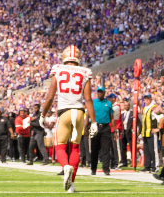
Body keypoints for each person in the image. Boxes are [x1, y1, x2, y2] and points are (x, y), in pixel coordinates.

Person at [39, 46, 96, 193]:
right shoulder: (85, 71)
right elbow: (88, 99)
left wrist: (43, 114)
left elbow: (50, 97)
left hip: (64, 112)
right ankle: (71, 186)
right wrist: (94, 121)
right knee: (75, 147)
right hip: (79, 112)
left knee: (60, 147)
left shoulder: (58, 69)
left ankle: (65, 167)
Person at [91, 87, 113, 176]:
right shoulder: (93, 102)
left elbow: (111, 118)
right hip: (95, 126)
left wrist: (114, 130)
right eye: (98, 92)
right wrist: (85, 127)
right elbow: (88, 115)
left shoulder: (108, 103)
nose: (100, 94)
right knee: (94, 149)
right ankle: (93, 169)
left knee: (106, 149)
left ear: (104, 93)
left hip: (105, 127)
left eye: (101, 92)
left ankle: (106, 169)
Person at [141, 94, 160, 173]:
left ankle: (155, 166)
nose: (146, 100)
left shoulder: (153, 108)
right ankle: (147, 166)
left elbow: (161, 118)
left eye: (147, 99)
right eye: (145, 99)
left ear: (150, 99)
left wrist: (158, 128)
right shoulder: (145, 108)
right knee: (146, 150)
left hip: (152, 132)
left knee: (153, 150)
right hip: (145, 132)